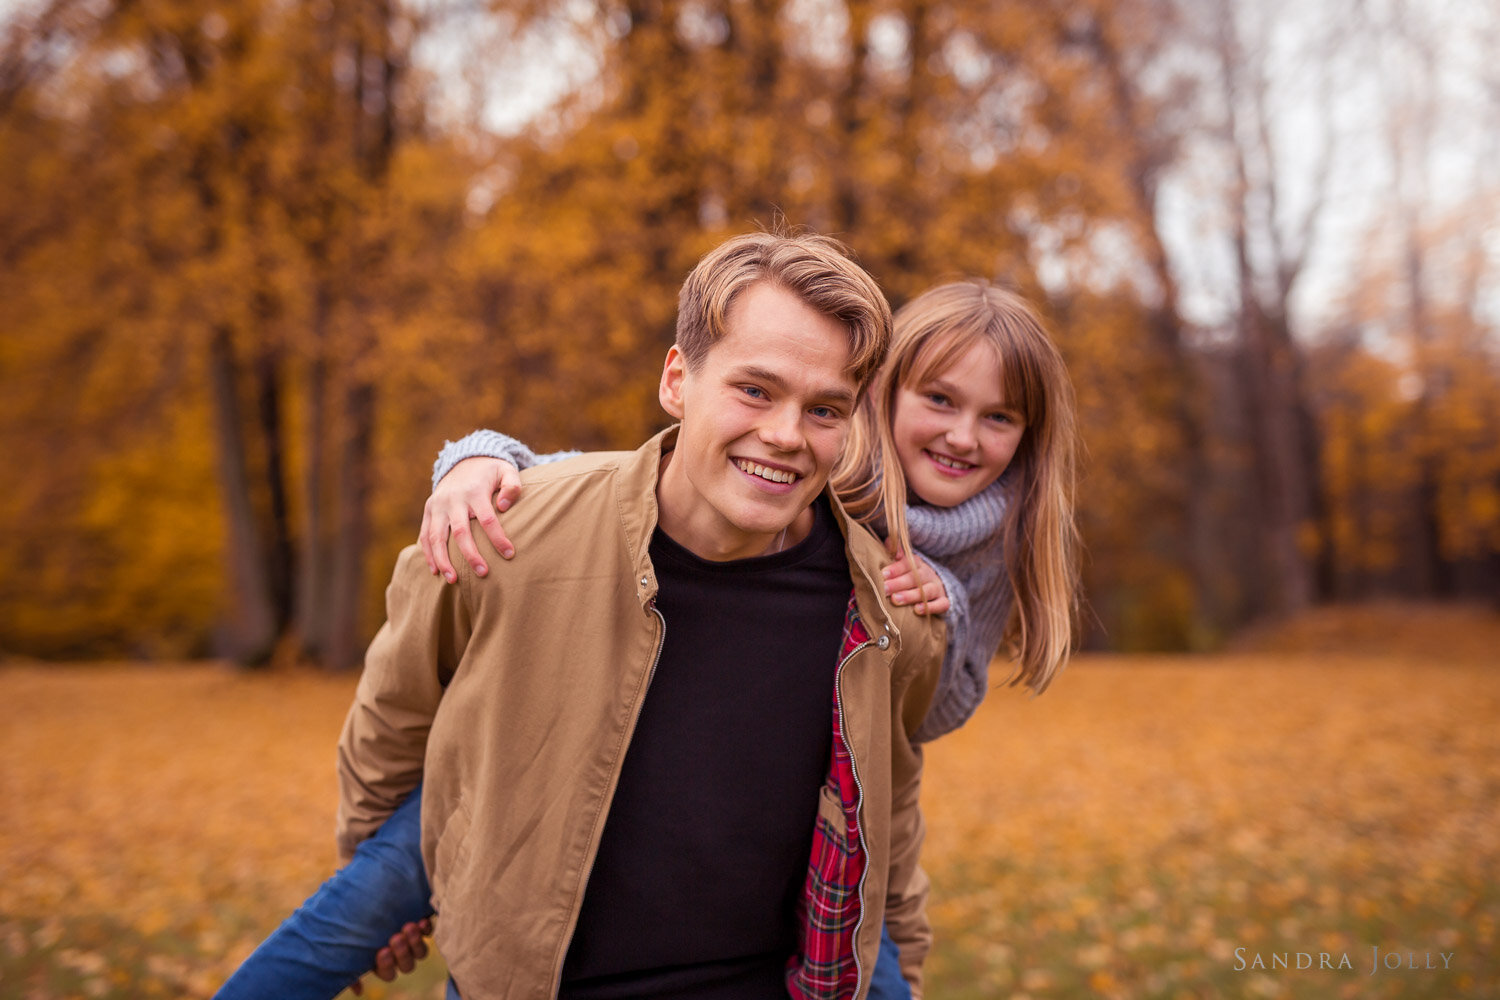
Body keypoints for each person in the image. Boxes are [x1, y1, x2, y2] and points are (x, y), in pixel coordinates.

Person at [213, 229, 948, 1000]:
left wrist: (907, 971)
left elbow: (887, 814)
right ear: (677, 378)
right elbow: (396, 715)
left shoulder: (884, 607)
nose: (786, 435)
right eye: (755, 390)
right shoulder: (507, 530)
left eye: (825, 409)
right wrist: (378, 868)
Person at [399, 280, 1081, 995]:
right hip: (551, 757)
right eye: (940, 400)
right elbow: (596, 484)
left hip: (825, 799)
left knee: (867, 946)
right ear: (876, 399)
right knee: (384, 875)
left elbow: (918, 728)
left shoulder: (999, 532)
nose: (964, 435)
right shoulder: (818, 467)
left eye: (999, 417)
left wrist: (937, 621)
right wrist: (474, 457)